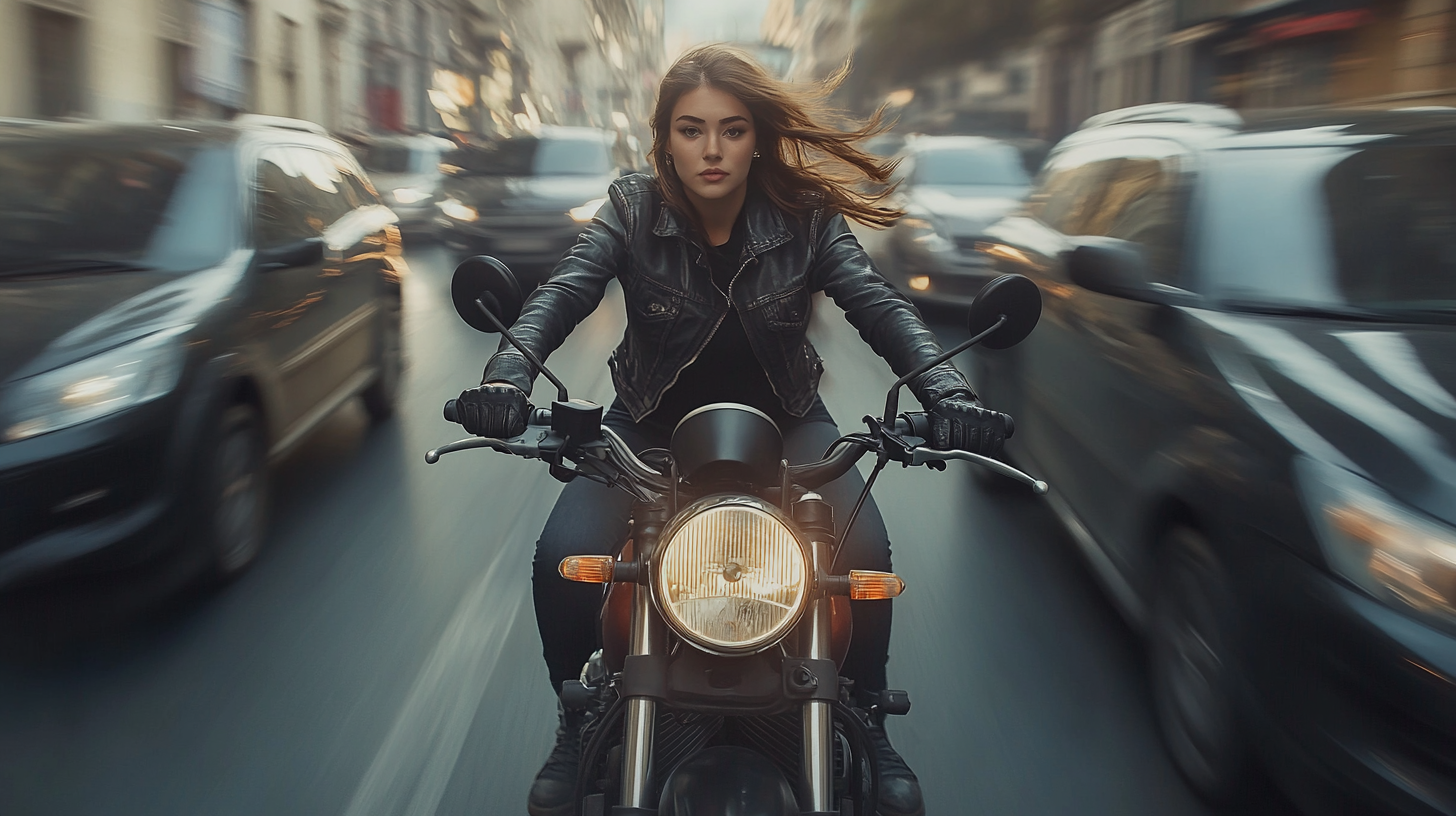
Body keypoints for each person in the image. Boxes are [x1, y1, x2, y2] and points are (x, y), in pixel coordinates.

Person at [453, 43, 1014, 816]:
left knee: (864, 548)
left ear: (757, 137)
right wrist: (505, 378)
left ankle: (872, 717)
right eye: (690, 130)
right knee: (563, 556)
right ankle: (576, 718)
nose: (711, 150)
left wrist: (947, 390)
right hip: (647, 429)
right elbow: (563, 291)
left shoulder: (807, 219)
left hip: (787, 426)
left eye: (731, 129)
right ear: (664, 139)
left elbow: (878, 304)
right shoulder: (630, 205)